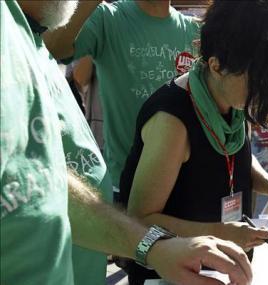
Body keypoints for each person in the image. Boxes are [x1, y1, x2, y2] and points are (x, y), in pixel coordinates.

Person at [0, 1, 251, 285]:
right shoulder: (104, 18)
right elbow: (59, 46)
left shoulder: (21, 34)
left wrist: (153, 247)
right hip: (127, 189)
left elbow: (42, 178)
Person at [118, 1, 268, 284]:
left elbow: (237, 154)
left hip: (219, 267)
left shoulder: (230, 97)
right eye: (255, 79)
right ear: (215, 65)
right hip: (171, 274)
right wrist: (222, 232)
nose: (262, 89)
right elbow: (140, 219)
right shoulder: (172, 122)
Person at [43, 0, 201, 201]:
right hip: (126, 189)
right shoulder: (107, 18)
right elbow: (51, 47)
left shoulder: (193, 30)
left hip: (185, 188)